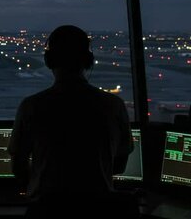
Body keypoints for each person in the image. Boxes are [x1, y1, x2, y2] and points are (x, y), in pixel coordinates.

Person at [7, 25, 134, 218]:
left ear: (49, 61)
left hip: (46, 210)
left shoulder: (31, 106)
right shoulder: (114, 105)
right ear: (88, 60)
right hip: (101, 210)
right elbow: (119, 166)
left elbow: (18, 168)